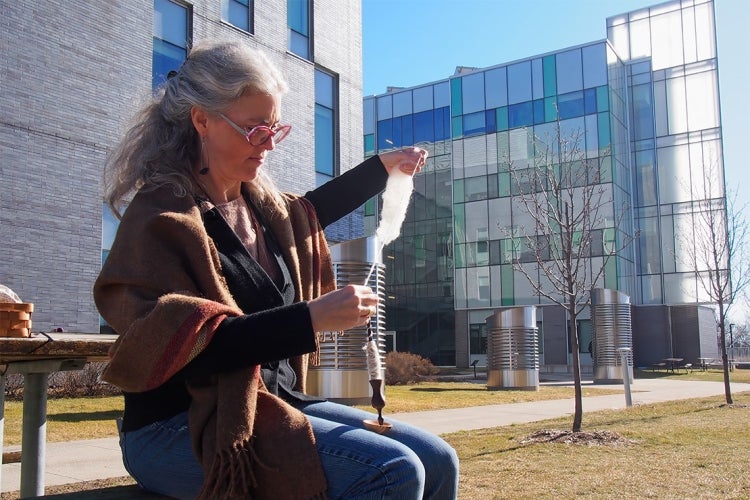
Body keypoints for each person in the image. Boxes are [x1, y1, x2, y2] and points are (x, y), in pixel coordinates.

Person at [94, 39, 459, 500]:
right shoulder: (162, 219)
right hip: (176, 424)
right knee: (392, 471)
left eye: (273, 128)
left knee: (439, 459)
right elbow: (190, 347)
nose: (267, 144)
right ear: (201, 120)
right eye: (253, 130)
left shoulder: (258, 205)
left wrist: (382, 169)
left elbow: (309, 213)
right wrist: (311, 319)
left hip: (270, 401)